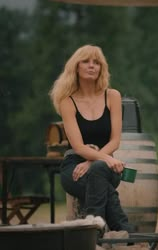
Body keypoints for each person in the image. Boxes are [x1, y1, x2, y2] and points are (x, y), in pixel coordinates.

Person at [49, 44, 135, 233]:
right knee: (105, 190)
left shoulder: (112, 96)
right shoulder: (67, 101)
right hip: (74, 168)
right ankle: (125, 232)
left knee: (98, 169)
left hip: (105, 166)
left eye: (97, 62)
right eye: (86, 61)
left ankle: (93, 233)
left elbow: (115, 141)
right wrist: (100, 159)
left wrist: (92, 161)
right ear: (76, 67)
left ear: (102, 68)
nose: (92, 66)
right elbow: (78, 147)